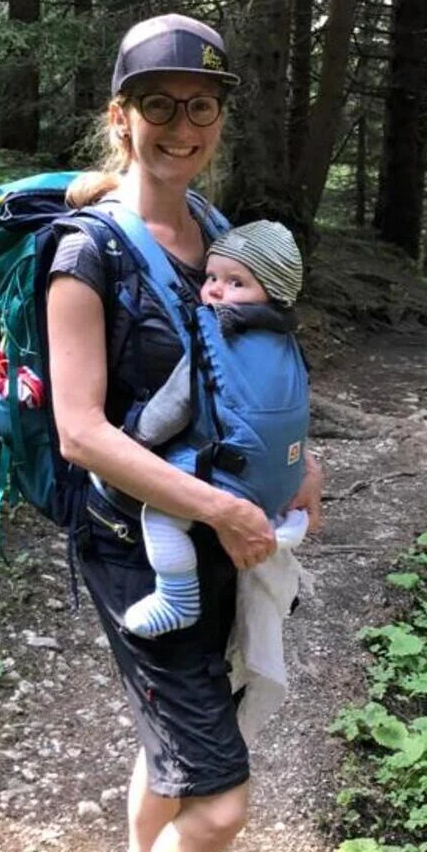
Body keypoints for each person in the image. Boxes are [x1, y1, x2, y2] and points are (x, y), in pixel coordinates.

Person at [45, 13, 323, 852]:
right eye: (158, 103)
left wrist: (303, 466)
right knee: (218, 799)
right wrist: (218, 507)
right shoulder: (84, 252)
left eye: (200, 104)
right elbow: (80, 432)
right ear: (121, 117)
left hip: (213, 536)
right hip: (136, 551)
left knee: (171, 757)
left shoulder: (213, 229)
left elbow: (240, 371)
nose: (181, 122)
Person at [122, 218, 308, 639]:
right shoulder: (285, 341)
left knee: (160, 513)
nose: (215, 290)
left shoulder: (216, 339)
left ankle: (177, 597)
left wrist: (135, 438)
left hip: (234, 479)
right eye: (211, 276)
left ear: (273, 291)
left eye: (236, 282)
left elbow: (173, 405)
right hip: (283, 479)